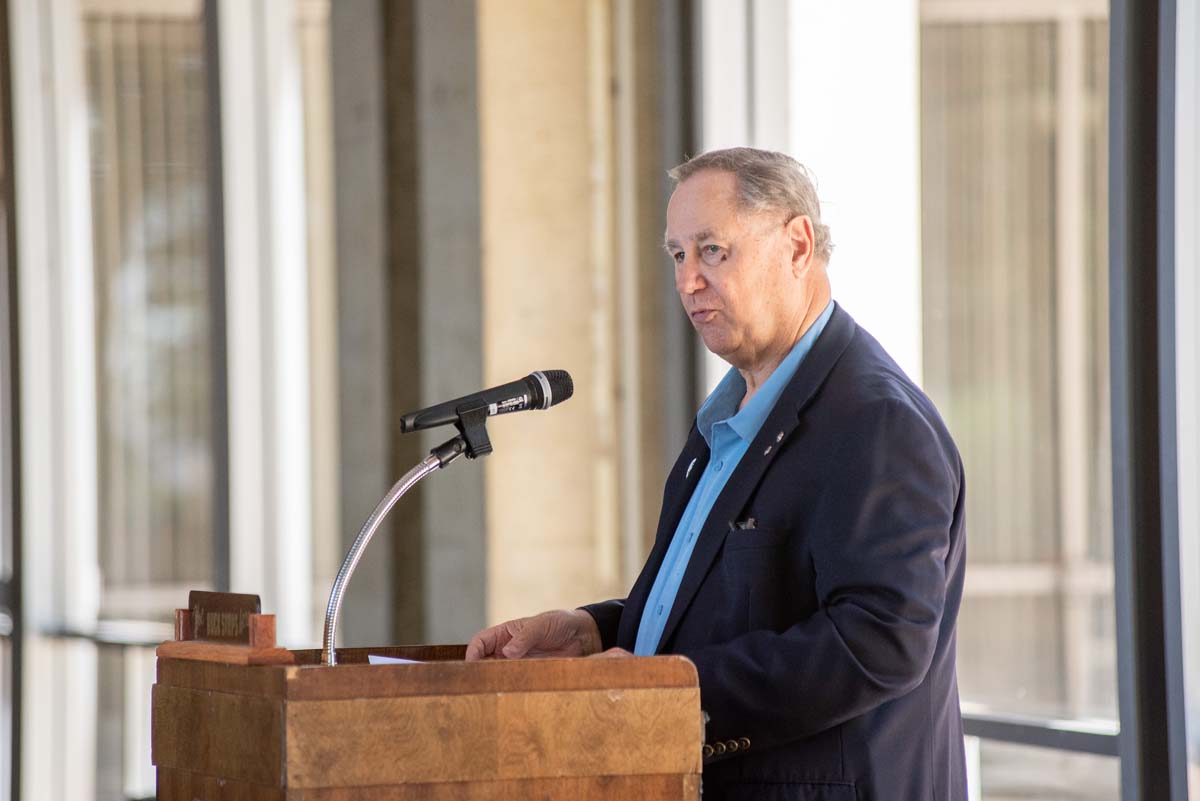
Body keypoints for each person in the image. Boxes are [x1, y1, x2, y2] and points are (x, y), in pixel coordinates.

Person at [466, 147, 967, 801]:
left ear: (797, 245)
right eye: (678, 255)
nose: (688, 280)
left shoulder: (875, 420)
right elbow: (730, 604)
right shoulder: (726, 421)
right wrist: (595, 632)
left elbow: (880, 641)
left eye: (713, 250)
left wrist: (667, 686)